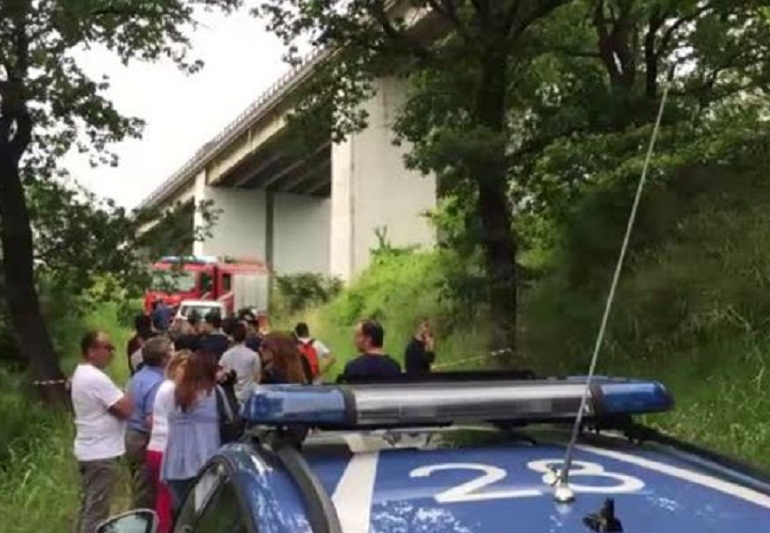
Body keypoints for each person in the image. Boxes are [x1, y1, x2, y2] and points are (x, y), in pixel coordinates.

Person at [71, 331, 132, 533]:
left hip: (92, 448)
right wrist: (125, 394)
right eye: (107, 348)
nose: (112, 353)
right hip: (100, 452)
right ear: (91, 351)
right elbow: (125, 409)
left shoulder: (82, 374)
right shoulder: (95, 378)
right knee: (97, 511)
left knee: (90, 505)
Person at [161, 350, 221, 512]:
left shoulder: (172, 394)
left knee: (182, 515)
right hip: (206, 458)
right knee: (204, 513)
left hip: (175, 462)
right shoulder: (213, 394)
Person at [125, 336, 172, 511]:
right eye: (171, 352)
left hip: (131, 434)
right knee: (147, 489)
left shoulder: (137, 377)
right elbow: (151, 419)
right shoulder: (158, 383)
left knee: (138, 482)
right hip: (145, 438)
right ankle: (144, 521)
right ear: (163, 358)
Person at [146, 350, 190, 533]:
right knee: (166, 499)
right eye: (184, 368)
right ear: (174, 368)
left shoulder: (165, 386)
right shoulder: (172, 389)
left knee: (164, 497)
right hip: (165, 448)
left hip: (158, 447)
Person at [219, 322, 261, 404]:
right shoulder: (253, 355)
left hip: (231, 394)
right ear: (246, 336)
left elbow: (221, 372)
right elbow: (257, 377)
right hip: (248, 394)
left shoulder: (226, 355)